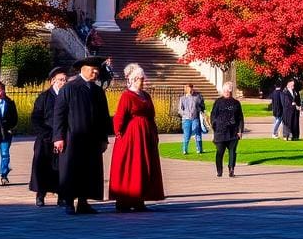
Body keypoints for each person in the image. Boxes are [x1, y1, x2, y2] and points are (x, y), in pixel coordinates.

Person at [53, 56, 113, 215]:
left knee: (89, 171)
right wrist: (58, 137)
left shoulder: (97, 90)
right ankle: (69, 203)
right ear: (83, 69)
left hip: (92, 139)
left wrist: (103, 138)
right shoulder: (70, 88)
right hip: (72, 138)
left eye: (97, 69)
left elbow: (103, 116)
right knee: (71, 170)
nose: (96, 71)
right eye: (92, 68)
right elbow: (59, 114)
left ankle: (83, 202)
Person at [110, 63, 165, 212]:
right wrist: (119, 132)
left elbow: (151, 115)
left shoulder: (146, 95)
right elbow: (120, 116)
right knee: (131, 166)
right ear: (134, 79)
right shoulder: (127, 96)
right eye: (141, 79)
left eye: (143, 79)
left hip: (145, 136)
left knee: (143, 166)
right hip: (131, 136)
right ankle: (124, 201)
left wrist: (154, 133)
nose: (143, 81)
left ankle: (140, 199)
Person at [29, 66, 68, 207]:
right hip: (45, 139)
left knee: (61, 168)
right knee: (42, 167)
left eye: (65, 80)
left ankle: (61, 195)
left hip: (62, 139)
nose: (63, 82)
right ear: (53, 81)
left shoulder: (68, 96)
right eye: (60, 80)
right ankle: (40, 195)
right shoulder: (44, 97)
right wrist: (48, 135)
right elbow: (36, 119)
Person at [210, 81, 245, 177]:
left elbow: (240, 118)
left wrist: (240, 130)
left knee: (232, 151)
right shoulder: (218, 102)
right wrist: (214, 126)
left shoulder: (236, 103)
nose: (227, 92)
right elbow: (213, 115)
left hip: (233, 131)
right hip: (220, 131)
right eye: (225, 91)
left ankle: (231, 169)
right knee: (220, 152)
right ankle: (219, 170)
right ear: (223, 91)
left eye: (229, 91)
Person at [178, 82, 206, 154]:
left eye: (191, 88)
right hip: (186, 119)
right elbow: (180, 110)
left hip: (195, 118)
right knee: (186, 135)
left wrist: (200, 111)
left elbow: (202, 106)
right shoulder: (182, 98)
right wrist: (185, 114)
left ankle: (199, 149)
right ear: (185, 89)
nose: (190, 89)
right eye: (188, 88)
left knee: (197, 134)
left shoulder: (197, 97)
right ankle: (185, 150)